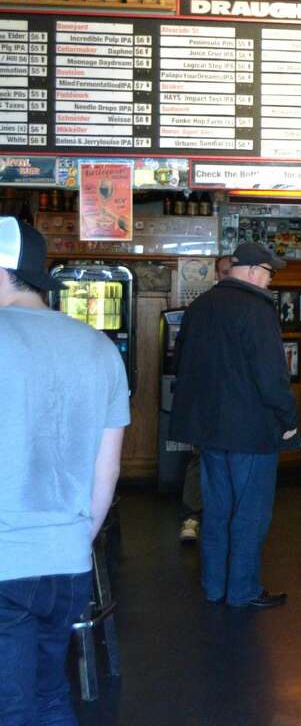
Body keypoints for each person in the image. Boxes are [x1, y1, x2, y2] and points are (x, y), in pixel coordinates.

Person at [0, 217, 127, 723]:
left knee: (11, 705)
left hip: (6, 561)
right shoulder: (99, 347)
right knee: (51, 693)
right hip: (68, 561)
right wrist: (75, 539)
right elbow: (108, 471)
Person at [170, 242, 297, 609]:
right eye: (270, 274)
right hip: (251, 430)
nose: (270, 282)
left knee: (217, 509)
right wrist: (288, 419)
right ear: (256, 271)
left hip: (209, 429)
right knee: (250, 513)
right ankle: (242, 590)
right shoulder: (258, 309)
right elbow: (272, 376)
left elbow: (181, 363)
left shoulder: (200, 306)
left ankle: (214, 587)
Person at [179, 254, 233, 543]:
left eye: (231, 271)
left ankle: (212, 519)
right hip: (206, 394)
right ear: (216, 273)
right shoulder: (202, 307)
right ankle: (192, 516)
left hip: (228, 397)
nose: (227, 276)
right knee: (200, 457)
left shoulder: (240, 307)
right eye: (224, 271)